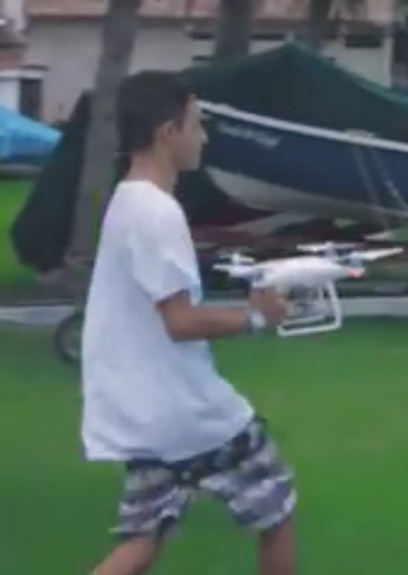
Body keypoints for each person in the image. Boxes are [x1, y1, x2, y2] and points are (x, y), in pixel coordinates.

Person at [81, 71, 296, 575]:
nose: (203, 137)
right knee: (277, 508)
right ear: (167, 132)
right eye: (197, 125)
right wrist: (256, 318)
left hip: (142, 410)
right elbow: (179, 321)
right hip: (186, 413)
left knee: (142, 540)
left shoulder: (127, 201)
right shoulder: (158, 214)